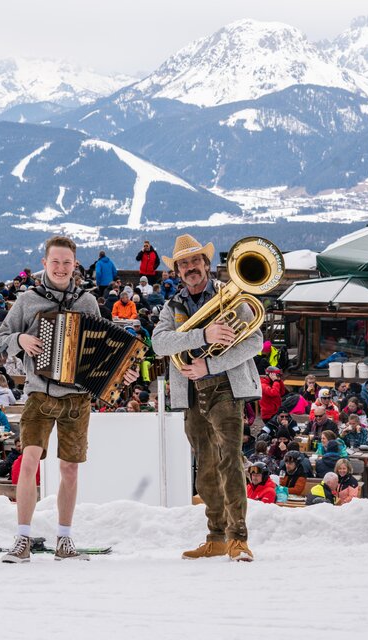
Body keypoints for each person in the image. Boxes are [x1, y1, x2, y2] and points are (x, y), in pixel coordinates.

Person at [0, 235, 138, 563]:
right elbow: (1, 338)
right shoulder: (28, 300)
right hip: (40, 393)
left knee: (70, 468)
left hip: (77, 397)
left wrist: (122, 372)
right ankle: (23, 539)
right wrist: (21, 338)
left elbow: (105, 347)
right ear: (45, 263)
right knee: (29, 462)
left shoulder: (86, 302)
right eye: (55, 262)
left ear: (75, 266)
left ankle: (65, 539)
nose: (60, 268)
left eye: (67, 263)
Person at [152, 233, 262, 562]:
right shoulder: (172, 307)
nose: (189, 268)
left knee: (229, 460)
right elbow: (159, 344)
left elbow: (254, 341)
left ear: (206, 264)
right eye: (183, 264)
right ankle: (216, 536)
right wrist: (203, 335)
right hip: (190, 390)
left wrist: (210, 363)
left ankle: (238, 538)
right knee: (205, 468)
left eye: (194, 261)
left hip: (225, 385)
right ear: (178, 271)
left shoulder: (231, 298)